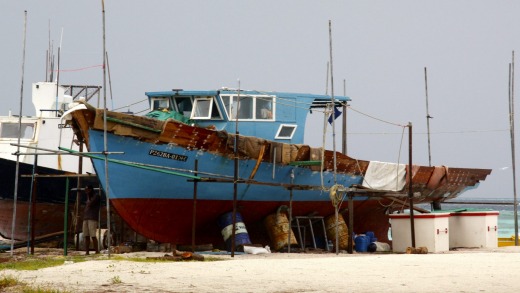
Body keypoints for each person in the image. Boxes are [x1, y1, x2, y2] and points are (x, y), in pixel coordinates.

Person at [82, 185, 101, 254]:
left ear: (91, 190)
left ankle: (97, 251)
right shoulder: (89, 198)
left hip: (92, 218)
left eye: (87, 190)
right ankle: (87, 252)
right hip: (86, 218)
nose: (86, 192)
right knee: (86, 235)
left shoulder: (96, 196)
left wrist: (88, 196)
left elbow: (90, 204)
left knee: (93, 235)